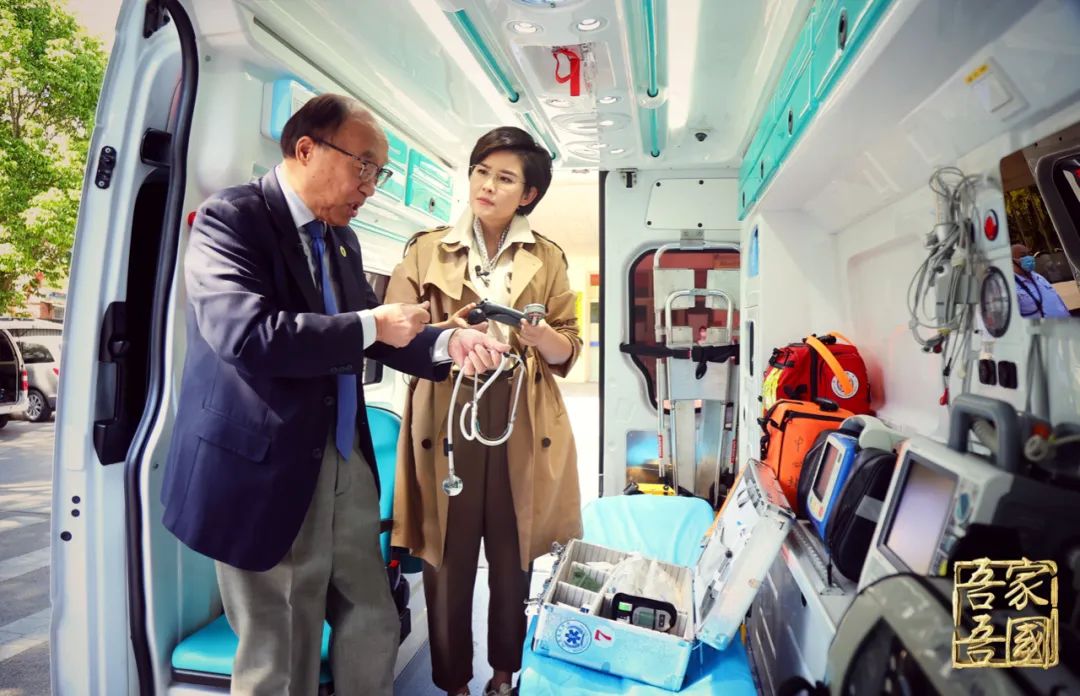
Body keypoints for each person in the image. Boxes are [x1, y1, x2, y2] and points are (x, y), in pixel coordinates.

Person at [160, 93, 507, 696]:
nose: (370, 185)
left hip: (343, 455)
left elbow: (376, 333)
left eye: (380, 172)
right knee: (280, 641)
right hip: (265, 463)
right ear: (306, 149)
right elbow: (247, 335)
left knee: (372, 613)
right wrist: (373, 323)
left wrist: (447, 344)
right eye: (364, 166)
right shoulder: (232, 219)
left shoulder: (340, 239)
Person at [386, 126, 584, 696]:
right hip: (447, 402)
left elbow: (569, 348)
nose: (487, 186)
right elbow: (393, 332)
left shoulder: (548, 256)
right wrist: (447, 334)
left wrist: (539, 335)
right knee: (446, 554)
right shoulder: (425, 248)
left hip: (521, 408)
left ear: (528, 194)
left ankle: (503, 674)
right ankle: (453, 683)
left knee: (512, 548)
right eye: (480, 172)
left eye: (504, 178)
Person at [1011, 243, 1071, 318]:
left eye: (1029, 254)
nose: (1028, 258)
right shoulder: (1011, 287)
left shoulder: (1038, 277)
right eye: (1023, 255)